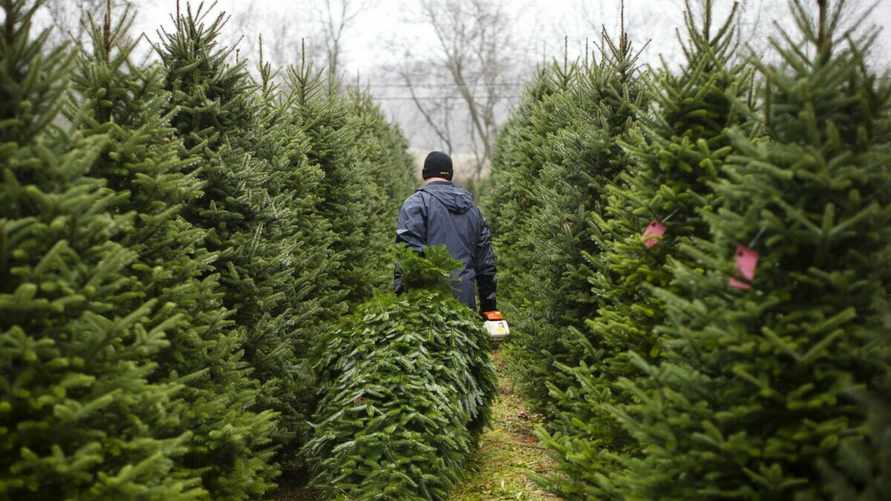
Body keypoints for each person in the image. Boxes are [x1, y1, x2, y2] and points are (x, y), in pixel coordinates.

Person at [395, 151, 498, 317]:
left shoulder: (416, 204)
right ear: (450, 175)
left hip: (426, 310)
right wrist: (489, 308)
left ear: (424, 174)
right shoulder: (474, 210)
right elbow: (486, 265)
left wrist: (401, 302)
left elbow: (407, 257)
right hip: (465, 308)